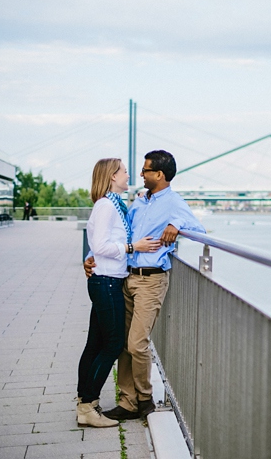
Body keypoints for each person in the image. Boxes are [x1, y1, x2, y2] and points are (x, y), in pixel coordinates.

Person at [85, 150, 205, 420]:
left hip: (152, 279)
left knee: (138, 343)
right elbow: (112, 235)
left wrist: (177, 223)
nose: (140, 174)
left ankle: (145, 398)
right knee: (124, 344)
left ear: (159, 175)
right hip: (127, 277)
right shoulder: (138, 203)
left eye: (146, 170)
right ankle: (128, 402)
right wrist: (90, 257)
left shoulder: (174, 202)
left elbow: (199, 229)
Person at [77, 158, 160, 427]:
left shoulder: (113, 204)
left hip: (107, 280)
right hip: (107, 282)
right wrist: (131, 247)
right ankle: (88, 404)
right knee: (112, 344)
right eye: (124, 171)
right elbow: (100, 245)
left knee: (95, 344)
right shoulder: (105, 206)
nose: (129, 174)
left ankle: (84, 404)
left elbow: (97, 246)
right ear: (113, 176)